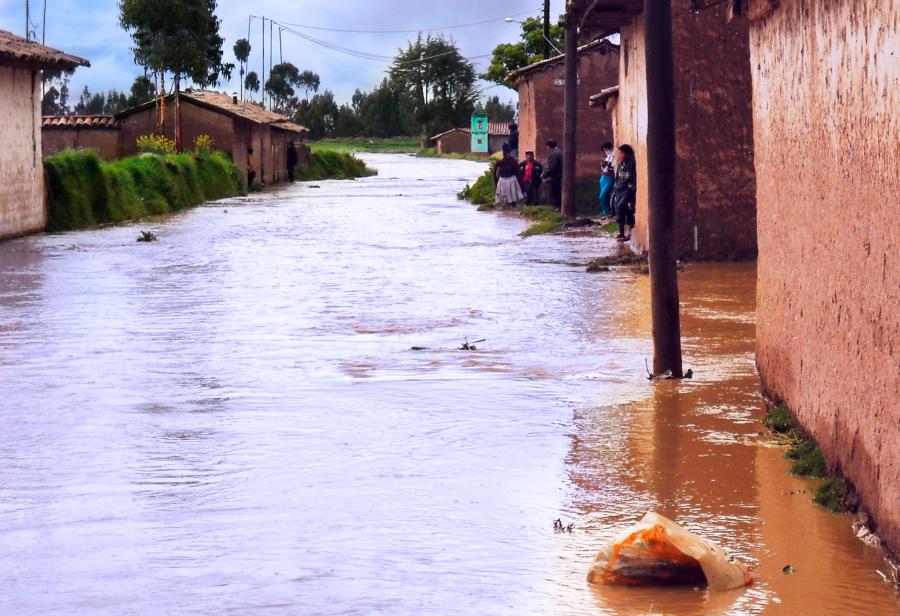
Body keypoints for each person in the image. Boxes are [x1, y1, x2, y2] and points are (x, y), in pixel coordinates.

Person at [611, 144, 637, 241]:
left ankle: (629, 230)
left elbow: (633, 179)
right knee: (617, 209)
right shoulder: (620, 164)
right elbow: (617, 178)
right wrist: (616, 188)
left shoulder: (631, 164)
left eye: (621, 153)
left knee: (624, 208)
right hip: (619, 190)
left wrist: (631, 191)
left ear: (627, 154)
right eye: (619, 153)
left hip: (627, 190)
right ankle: (621, 232)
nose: (619, 155)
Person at [542, 139, 563, 209]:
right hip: (558, 176)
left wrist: (544, 175)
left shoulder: (554, 154)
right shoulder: (558, 152)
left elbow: (551, 167)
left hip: (555, 178)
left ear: (549, 146)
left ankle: (557, 209)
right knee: (556, 194)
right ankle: (558, 208)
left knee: (555, 194)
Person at [598, 141, 615, 218]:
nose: (605, 151)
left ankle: (608, 212)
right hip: (603, 177)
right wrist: (603, 165)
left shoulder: (614, 155)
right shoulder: (606, 157)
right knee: (605, 196)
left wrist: (608, 165)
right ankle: (605, 211)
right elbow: (604, 168)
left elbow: (615, 167)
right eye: (604, 150)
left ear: (610, 148)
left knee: (602, 195)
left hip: (610, 177)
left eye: (606, 149)